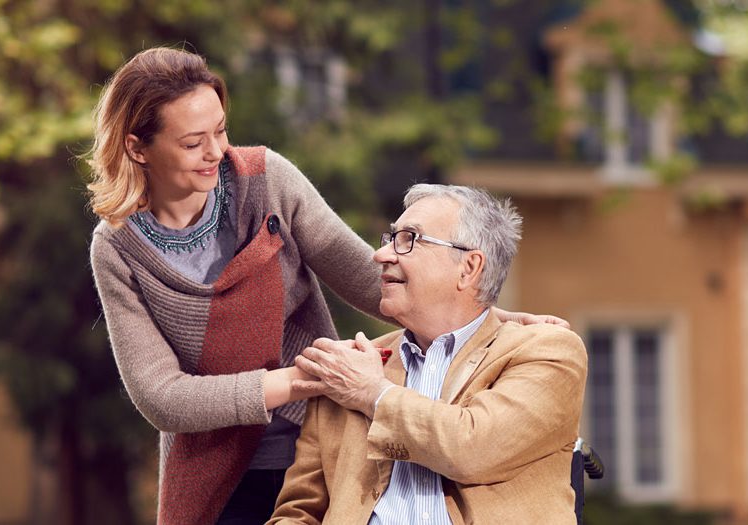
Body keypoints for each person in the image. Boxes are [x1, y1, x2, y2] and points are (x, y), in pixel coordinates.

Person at [85, 47, 565, 525]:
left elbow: (372, 280)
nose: (216, 152)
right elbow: (162, 397)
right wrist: (306, 379)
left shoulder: (267, 181)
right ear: (137, 147)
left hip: (312, 445)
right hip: (214, 466)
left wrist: (491, 319)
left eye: (221, 129)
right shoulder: (117, 249)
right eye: (193, 143)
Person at [268, 184, 588, 525]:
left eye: (408, 239)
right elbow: (299, 512)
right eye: (390, 239)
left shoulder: (546, 352)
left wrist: (372, 394)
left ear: (468, 268)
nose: (382, 255)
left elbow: (472, 449)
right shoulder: (348, 367)